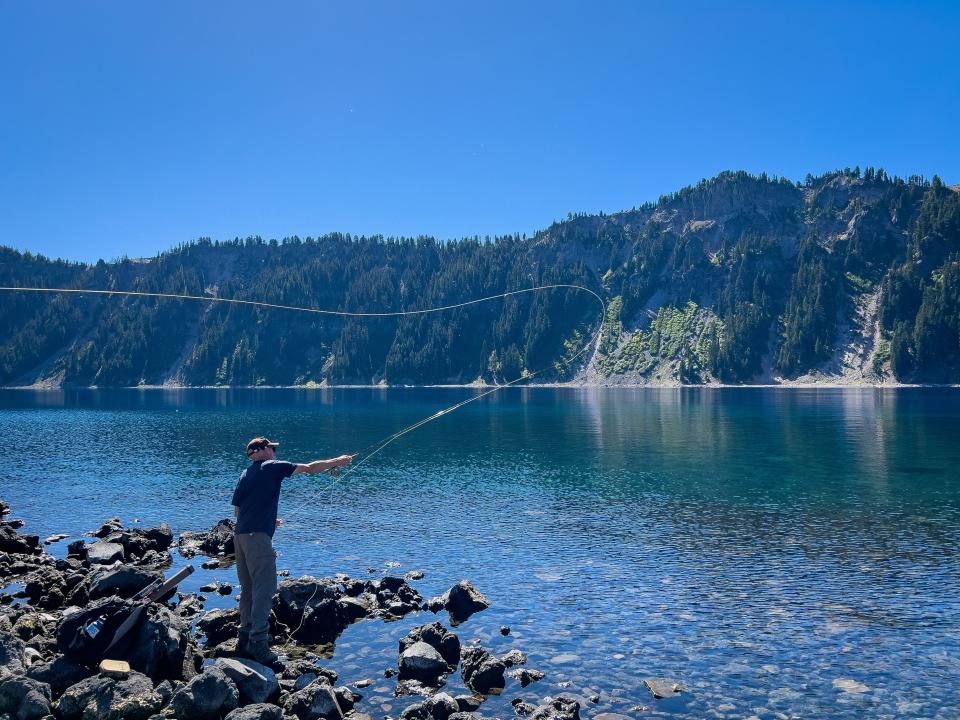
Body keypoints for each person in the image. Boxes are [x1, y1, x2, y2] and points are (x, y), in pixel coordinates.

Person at [231, 436, 354, 664]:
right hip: (257, 538)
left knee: (248, 589)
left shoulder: (245, 474)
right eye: (272, 448)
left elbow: (239, 512)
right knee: (265, 588)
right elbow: (309, 468)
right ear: (262, 450)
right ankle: (258, 643)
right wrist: (337, 460)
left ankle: (244, 640)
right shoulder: (270, 466)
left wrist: (267, 520)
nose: (275, 451)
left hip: (240, 537)